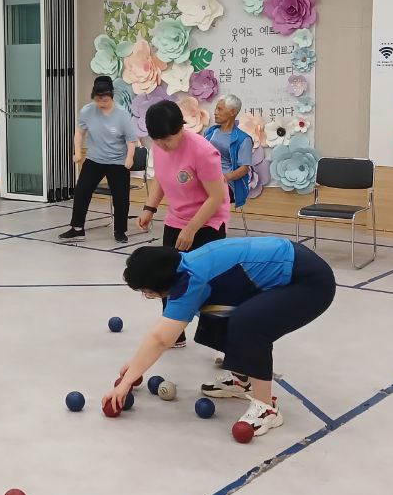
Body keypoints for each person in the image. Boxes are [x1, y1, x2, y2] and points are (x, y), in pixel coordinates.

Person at [105, 236, 337, 437]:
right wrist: (136, 366)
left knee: (249, 324)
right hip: (294, 266)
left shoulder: (192, 279)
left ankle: (267, 408)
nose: (148, 295)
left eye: (146, 291)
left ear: (158, 283)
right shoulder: (183, 268)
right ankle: (241, 380)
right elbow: (167, 329)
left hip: (310, 281)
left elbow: (161, 338)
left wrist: (126, 382)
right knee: (215, 314)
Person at [137, 99, 230, 346]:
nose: (162, 146)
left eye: (167, 140)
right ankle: (174, 333)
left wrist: (191, 229)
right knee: (167, 278)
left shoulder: (203, 152)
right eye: (157, 141)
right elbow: (161, 179)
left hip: (208, 222)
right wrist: (150, 207)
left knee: (209, 283)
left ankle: (220, 340)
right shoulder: (159, 145)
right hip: (176, 218)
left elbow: (217, 197)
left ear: (181, 128)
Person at [60, 75, 140, 244]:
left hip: (118, 161)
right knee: (81, 192)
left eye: (105, 97)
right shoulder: (87, 111)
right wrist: (78, 152)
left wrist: (129, 158)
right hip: (94, 159)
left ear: (111, 95)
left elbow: (131, 139)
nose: (101, 100)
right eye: (98, 97)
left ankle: (120, 230)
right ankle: (77, 229)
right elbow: (79, 133)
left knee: (121, 197)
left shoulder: (122, 114)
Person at [204, 95, 253, 211]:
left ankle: (209, 227)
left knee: (202, 197)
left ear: (232, 112)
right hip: (206, 179)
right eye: (216, 108)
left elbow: (244, 168)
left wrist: (223, 178)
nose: (215, 112)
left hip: (228, 185)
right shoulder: (210, 132)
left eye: (219, 109)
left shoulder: (243, 139)